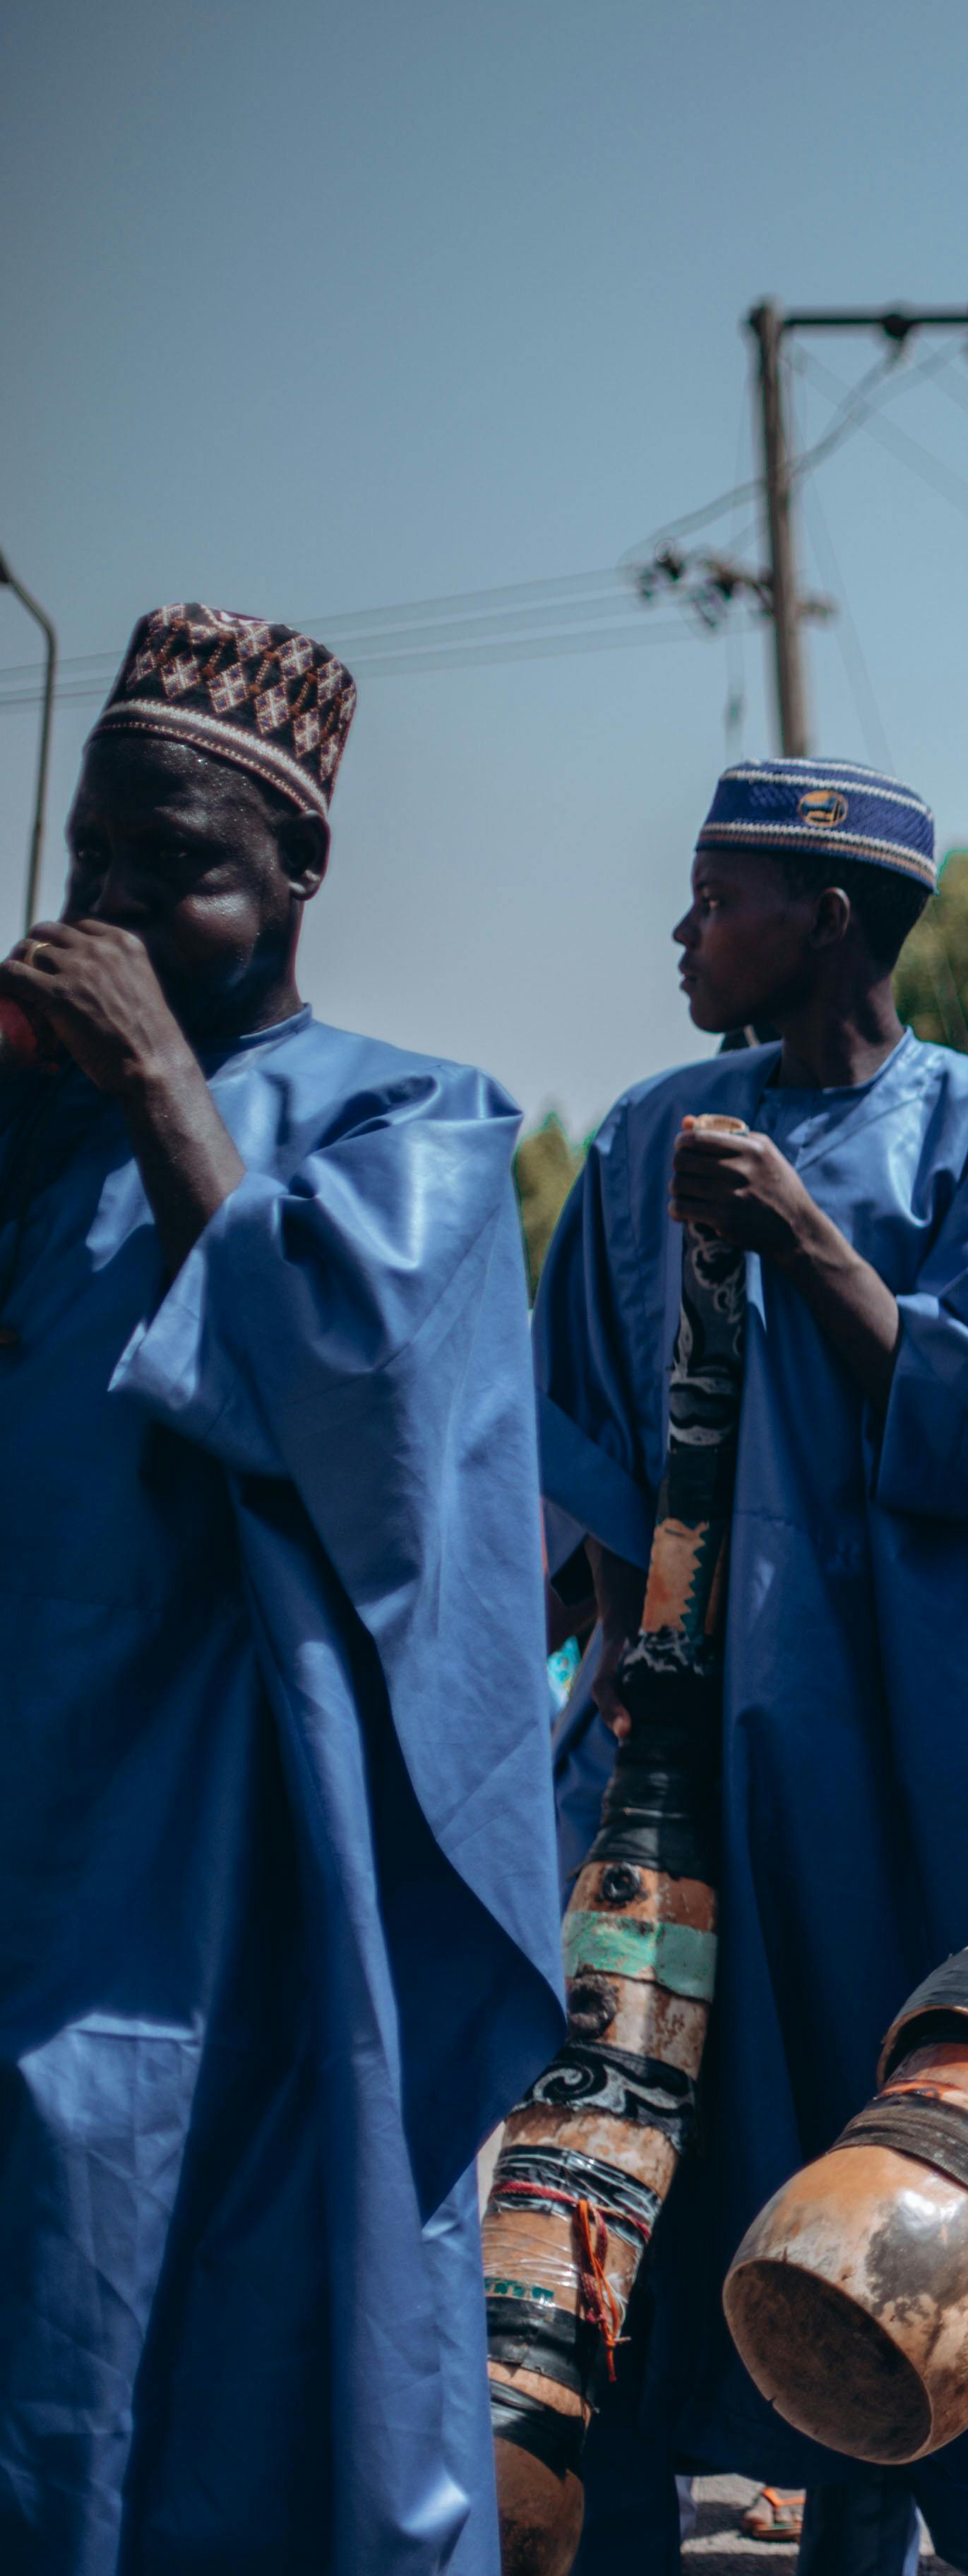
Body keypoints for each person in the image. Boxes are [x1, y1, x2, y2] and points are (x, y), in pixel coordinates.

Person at [0, 607, 565, 2572]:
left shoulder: (416, 1122)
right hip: (36, 1805)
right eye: (90, 865)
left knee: (240, 2315)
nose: (116, 908)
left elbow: (362, 1393)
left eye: (180, 867)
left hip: (250, 1868)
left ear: (302, 874)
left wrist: (164, 1077)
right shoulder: (29, 1132)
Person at [533, 758, 968, 2574]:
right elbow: (574, 1472)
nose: (685, 933)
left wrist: (804, 1233)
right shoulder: (643, 1137)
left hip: (901, 1772)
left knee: (894, 2213)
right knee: (619, 2207)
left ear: (831, 921)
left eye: (719, 900)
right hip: (670, 1780)